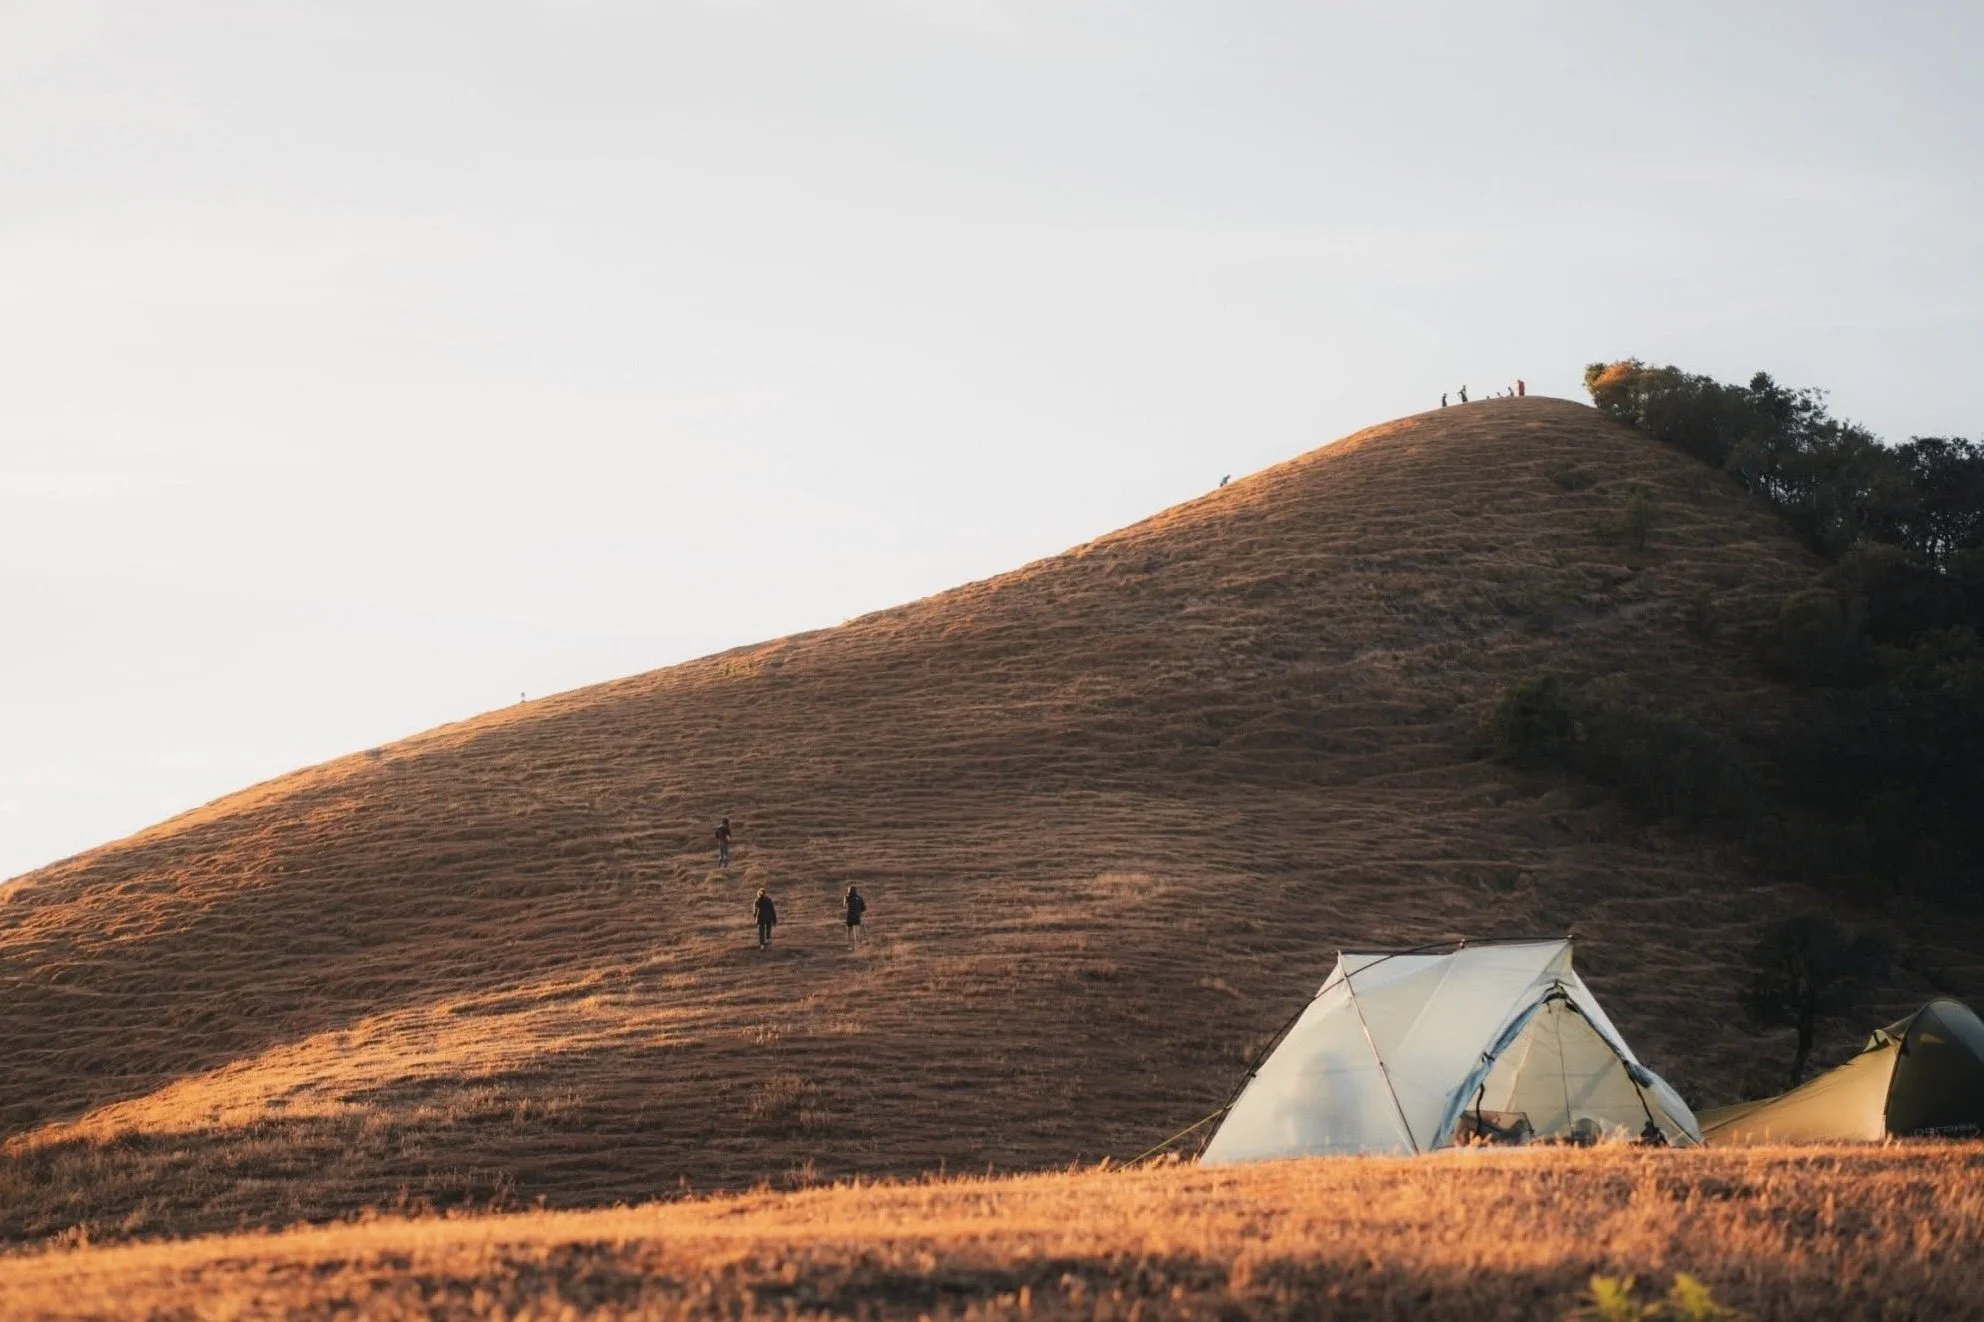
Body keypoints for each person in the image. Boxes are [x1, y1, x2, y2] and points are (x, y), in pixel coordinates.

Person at [843, 884, 867, 948]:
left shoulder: (846, 897)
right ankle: (857, 945)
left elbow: (844, 906)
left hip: (849, 917)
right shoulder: (859, 898)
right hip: (857, 917)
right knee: (857, 931)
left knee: (849, 931)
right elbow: (864, 908)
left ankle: (850, 945)